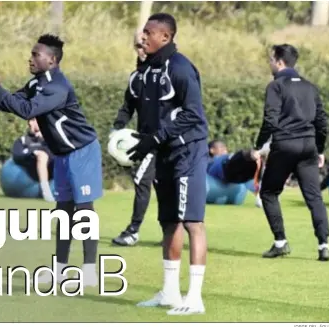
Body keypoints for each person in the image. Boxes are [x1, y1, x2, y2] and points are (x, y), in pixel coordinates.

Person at [0, 34, 103, 287]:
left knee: (84, 213)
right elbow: (9, 104)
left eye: (36, 54)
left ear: (52, 60)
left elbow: (26, 110)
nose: (31, 58)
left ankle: (89, 271)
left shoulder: (58, 87)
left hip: (83, 152)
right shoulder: (36, 83)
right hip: (63, 155)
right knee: (64, 213)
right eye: (32, 53)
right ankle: (59, 269)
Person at [126, 13, 209, 315]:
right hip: (165, 153)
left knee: (193, 223)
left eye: (148, 32)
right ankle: (170, 293)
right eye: (143, 32)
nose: (143, 37)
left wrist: (156, 137)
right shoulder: (148, 70)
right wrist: (143, 143)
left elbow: (193, 115)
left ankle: (195, 298)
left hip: (189, 153)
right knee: (168, 222)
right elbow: (149, 113)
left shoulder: (181, 69)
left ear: (166, 37)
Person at [251, 44, 329, 261]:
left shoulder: (276, 86)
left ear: (279, 62)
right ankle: (324, 245)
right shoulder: (310, 87)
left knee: (268, 192)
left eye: (270, 60)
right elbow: (322, 122)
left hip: (285, 145)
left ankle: (280, 242)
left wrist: (258, 146)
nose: (269, 64)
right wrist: (320, 149)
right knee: (314, 197)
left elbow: (270, 120)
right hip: (308, 146)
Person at [110, 31, 157, 246]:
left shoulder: (166, 74)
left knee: (147, 181)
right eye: (138, 46)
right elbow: (128, 107)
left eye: (145, 44)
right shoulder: (136, 78)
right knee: (143, 180)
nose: (142, 49)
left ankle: (134, 230)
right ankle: (135, 230)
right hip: (145, 141)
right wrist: (117, 128)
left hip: (167, 140)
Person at [12, 118, 55, 202]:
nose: (33, 123)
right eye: (31, 121)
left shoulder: (50, 139)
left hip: (52, 169)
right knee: (42, 155)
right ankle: (46, 191)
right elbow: (17, 155)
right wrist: (33, 153)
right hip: (32, 171)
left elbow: (56, 152)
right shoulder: (23, 140)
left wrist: (45, 140)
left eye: (35, 120)